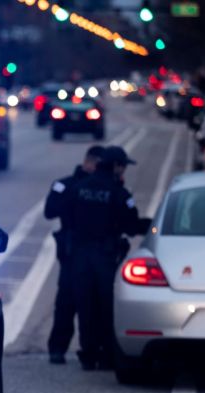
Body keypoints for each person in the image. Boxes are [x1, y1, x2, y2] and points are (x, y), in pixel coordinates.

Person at [66, 146, 141, 370]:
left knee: (85, 305)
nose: (124, 170)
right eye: (124, 165)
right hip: (106, 257)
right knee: (107, 307)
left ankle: (88, 354)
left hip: (80, 256)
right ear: (116, 166)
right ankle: (108, 355)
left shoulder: (79, 188)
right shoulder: (119, 193)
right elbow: (131, 224)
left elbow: (67, 217)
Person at [44, 145, 105, 364]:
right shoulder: (66, 184)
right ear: (88, 162)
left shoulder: (105, 187)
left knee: (94, 302)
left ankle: (92, 349)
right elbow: (50, 211)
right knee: (67, 300)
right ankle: (58, 348)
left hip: (95, 252)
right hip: (71, 251)